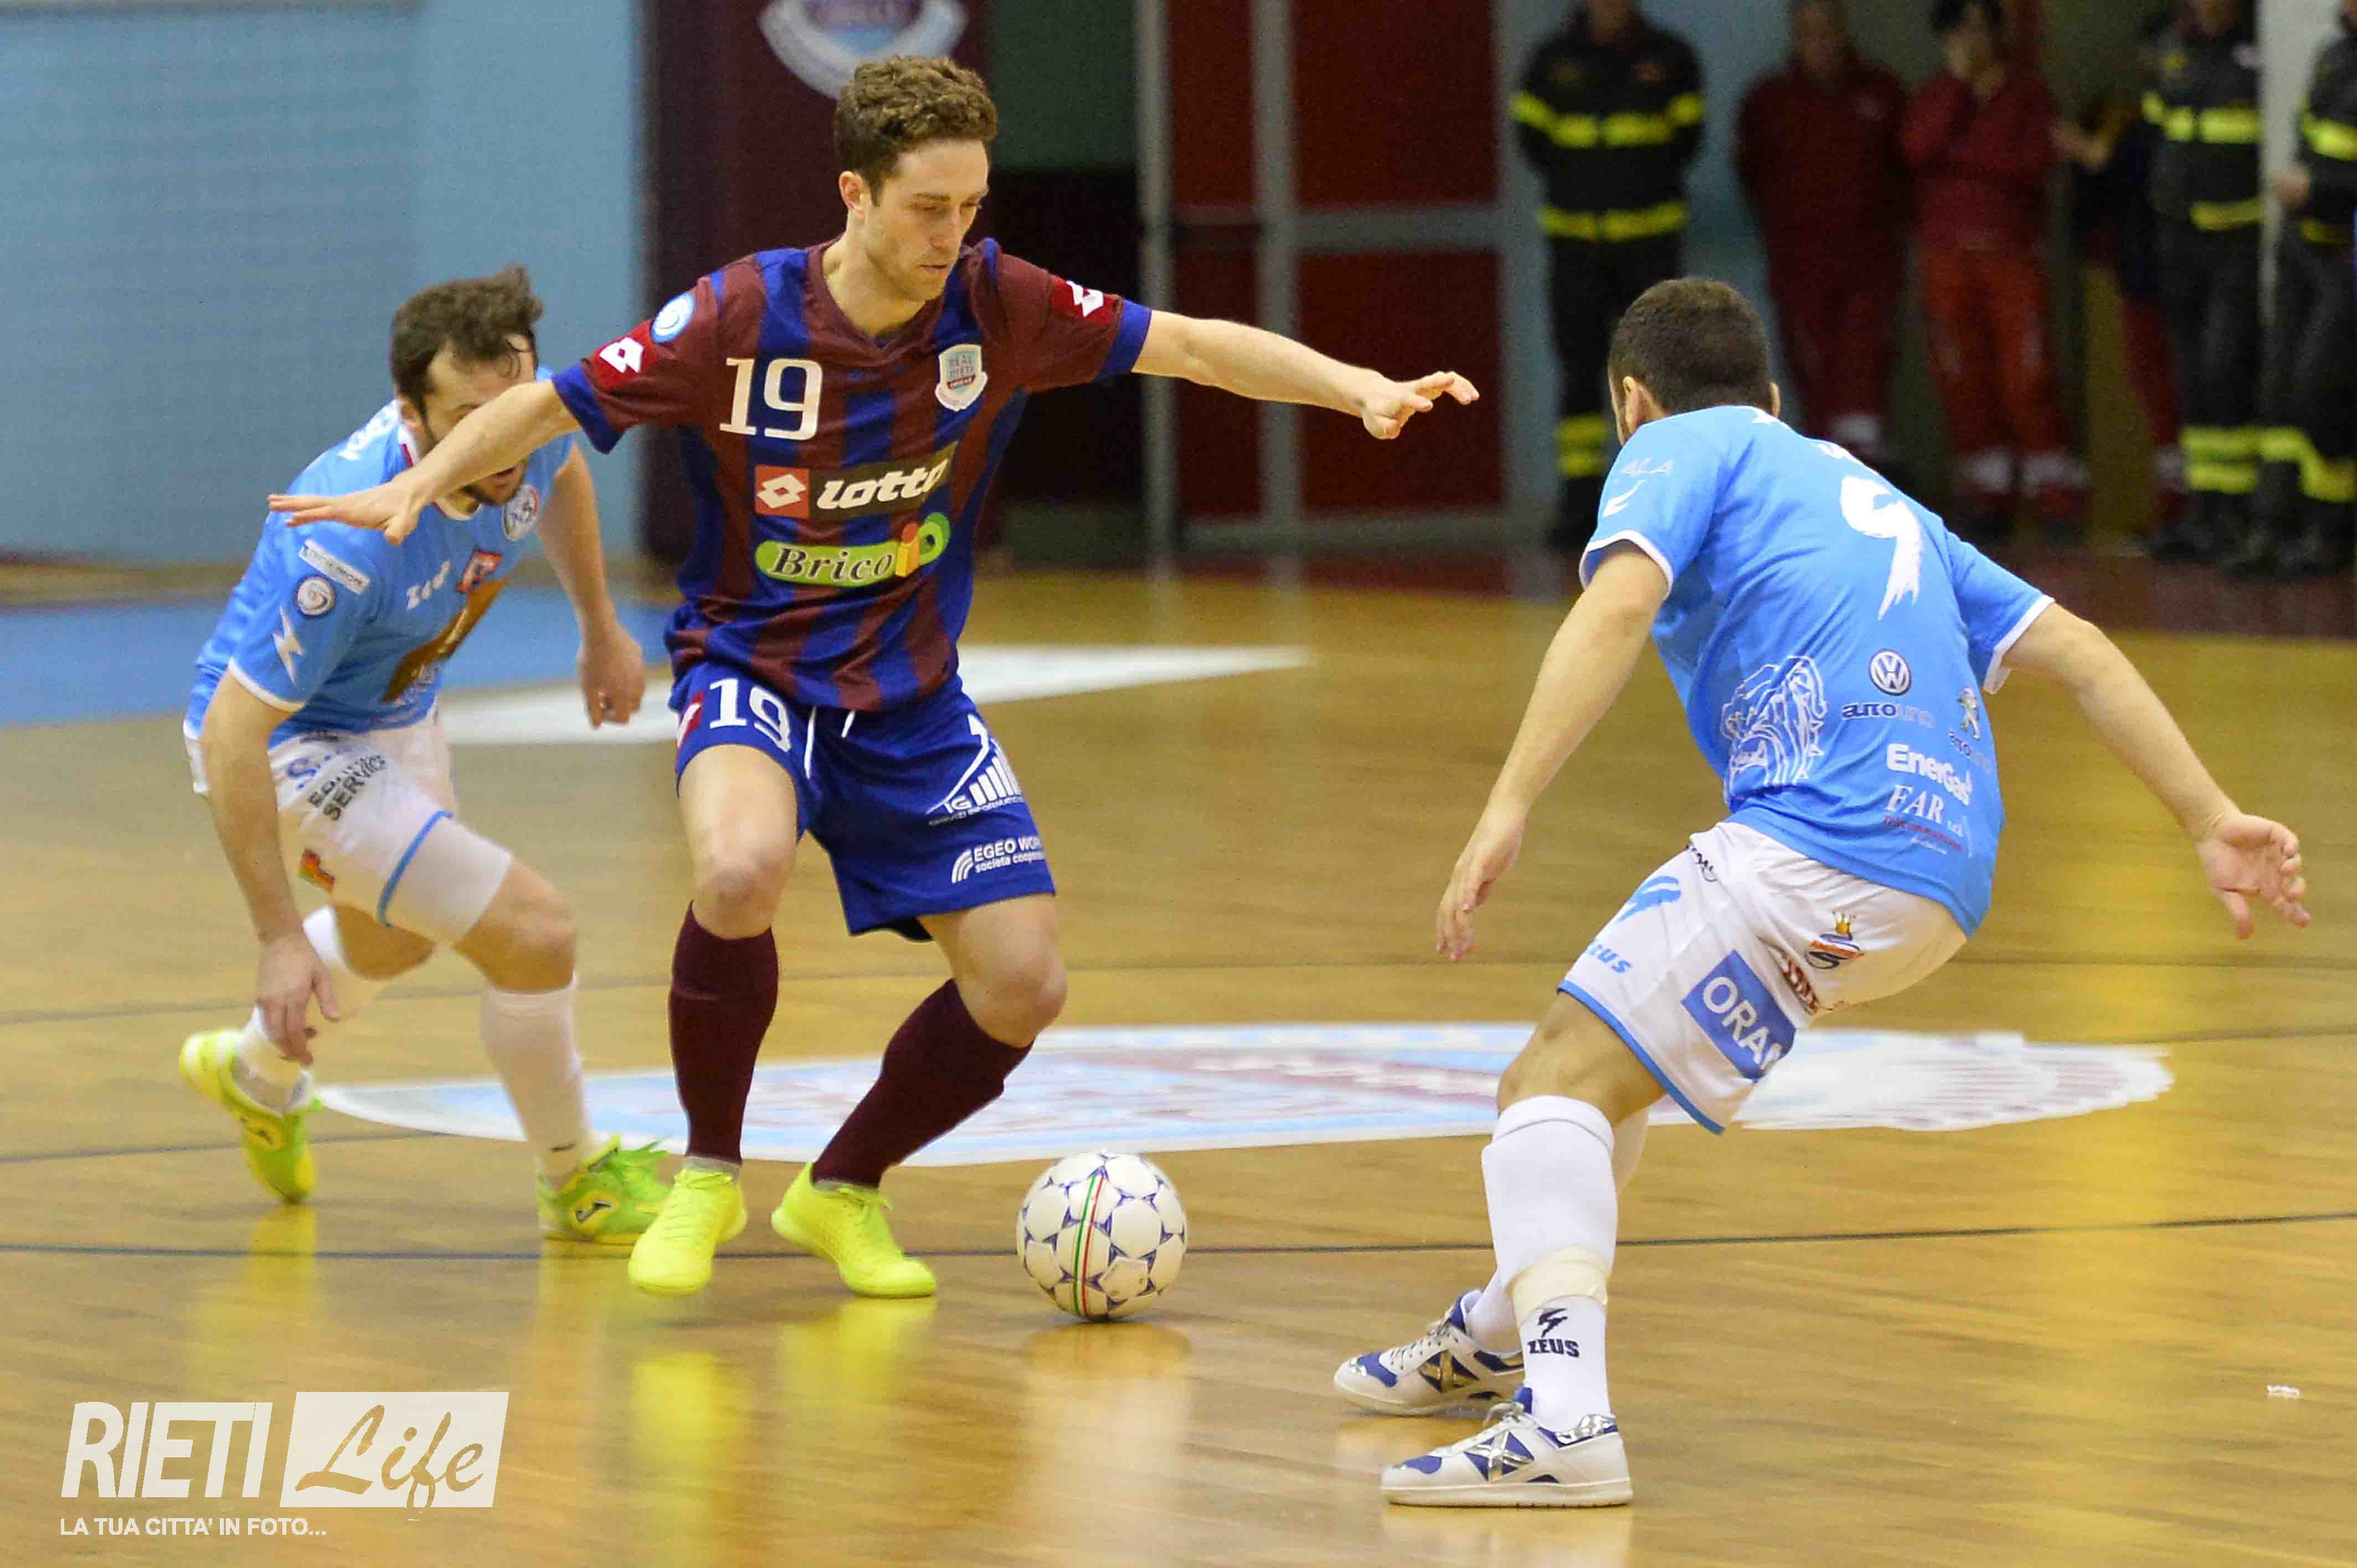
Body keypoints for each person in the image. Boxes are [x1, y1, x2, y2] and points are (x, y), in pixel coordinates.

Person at [272, 58, 1477, 1302]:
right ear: (854, 193)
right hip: (752, 662)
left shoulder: (999, 303)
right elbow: (548, 407)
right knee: (737, 870)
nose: (952, 235)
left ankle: (841, 1187)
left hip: (909, 692)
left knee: (1024, 982)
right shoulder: (738, 316)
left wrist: (1355, 387)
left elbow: (1192, 347)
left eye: (971, 206)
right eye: (927, 208)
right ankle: (707, 1174)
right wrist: (418, 484)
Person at [1335, 278, 2308, 1508]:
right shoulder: (1881, 499)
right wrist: (2208, 817)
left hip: (1822, 842)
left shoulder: (1674, 445)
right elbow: (2079, 651)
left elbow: (1617, 604)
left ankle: (1566, 1422)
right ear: (1776, 397)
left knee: (1548, 1083)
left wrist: (1508, 802)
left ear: (1632, 403)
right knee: (1609, 1065)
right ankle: (1498, 1332)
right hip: (1940, 884)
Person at [182, 266, 668, 1241]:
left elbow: (563, 471)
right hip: (290, 743)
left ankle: (256, 1073)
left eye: (514, 411)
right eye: (469, 421)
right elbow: (234, 731)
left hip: (398, 714)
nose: (503, 443)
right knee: (535, 934)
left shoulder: (528, 420)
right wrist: (277, 938)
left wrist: (599, 625)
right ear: (412, 415)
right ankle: (576, 1179)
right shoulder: (346, 546)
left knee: (396, 938)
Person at [1511, 0, 1704, 552]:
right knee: (1578, 376)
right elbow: (1531, 140)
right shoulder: (1551, 62)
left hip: (1650, 249)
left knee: (1657, 376)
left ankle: (1659, 504)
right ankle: (1580, 504)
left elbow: (1687, 140)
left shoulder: (1669, 59)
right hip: (1577, 249)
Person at [1900, 0, 2087, 542]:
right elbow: (1916, 149)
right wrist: (1960, 95)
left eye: (1982, 29)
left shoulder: (2029, 95)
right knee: (1962, 379)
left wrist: (1961, 158)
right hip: (1946, 259)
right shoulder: (1935, 95)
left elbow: (2028, 165)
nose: (1973, 41)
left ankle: (2055, 499)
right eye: (1962, 31)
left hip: (2012, 257)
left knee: (2029, 377)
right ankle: (1987, 498)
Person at [1736, 0, 1909, 467]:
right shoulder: (1770, 102)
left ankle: (1866, 477)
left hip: (1870, 266)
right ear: (1795, 36)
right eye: (1808, 31)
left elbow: (1905, 175)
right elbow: (1752, 177)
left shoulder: (1882, 93)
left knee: (1865, 379)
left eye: (1828, 29)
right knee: (1814, 383)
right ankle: (1824, 484)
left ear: (1843, 30)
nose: (1820, 42)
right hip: (1801, 269)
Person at [2236, 0, 2357, 577]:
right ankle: (2275, 523)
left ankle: (2330, 530)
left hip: (2347, 250)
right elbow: (2310, 138)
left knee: (2322, 386)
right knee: (2281, 387)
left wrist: (2320, 190)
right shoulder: (2333, 56)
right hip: (2301, 247)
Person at [2058, 8, 2189, 540]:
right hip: (2141, 279)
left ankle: (2192, 512)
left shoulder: (2178, 121)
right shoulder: (2136, 120)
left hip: (2187, 280)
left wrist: (2097, 156)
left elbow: (2136, 168)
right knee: (2157, 398)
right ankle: (2174, 509)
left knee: (2187, 397)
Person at [2144, 0, 2262, 563]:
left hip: (2234, 243)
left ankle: (2237, 514)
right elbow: (2159, 130)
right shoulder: (2176, 51)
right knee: (2190, 380)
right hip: (2179, 242)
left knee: (2224, 372)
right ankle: (2204, 512)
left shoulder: (2257, 54)